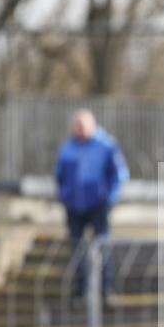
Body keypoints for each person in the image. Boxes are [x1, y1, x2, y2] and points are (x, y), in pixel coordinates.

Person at [54, 109, 129, 302]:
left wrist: (109, 198)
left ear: (92, 126)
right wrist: (64, 196)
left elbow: (119, 174)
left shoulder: (105, 146)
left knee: (102, 246)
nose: (78, 130)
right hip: (74, 206)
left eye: (82, 126)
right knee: (77, 249)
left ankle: (107, 289)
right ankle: (81, 291)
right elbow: (59, 175)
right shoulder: (67, 148)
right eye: (76, 126)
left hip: (98, 205)